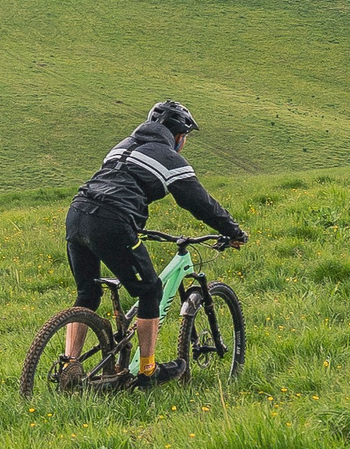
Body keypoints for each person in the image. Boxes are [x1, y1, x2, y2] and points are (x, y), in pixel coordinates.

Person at [63, 99, 247, 386]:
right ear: (179, 136)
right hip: (113, 222)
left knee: (88, 294)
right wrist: (233, 231)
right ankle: (147, 370)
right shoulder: (169, 158)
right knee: (149, 289)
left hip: (77, 214)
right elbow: (201, 204)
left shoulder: (122, 146)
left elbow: (115, 184)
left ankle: (69, 365)